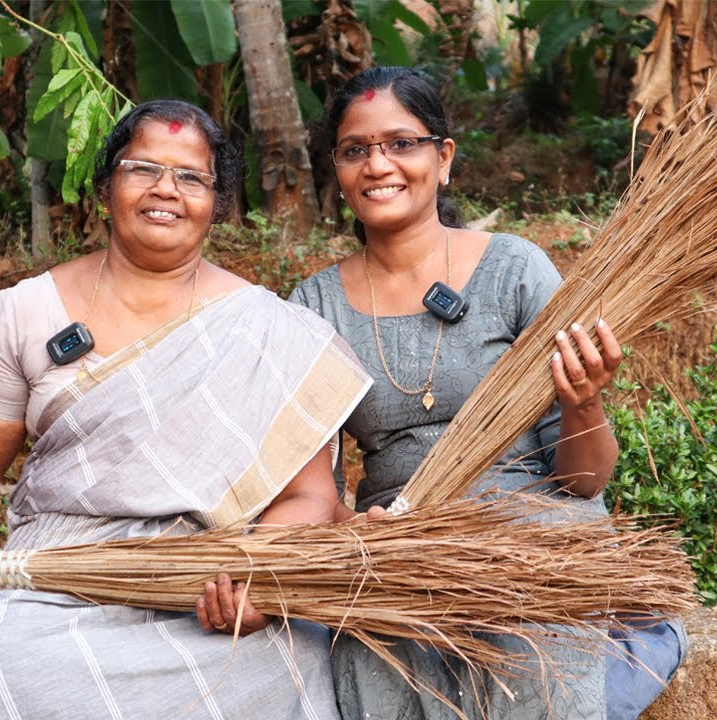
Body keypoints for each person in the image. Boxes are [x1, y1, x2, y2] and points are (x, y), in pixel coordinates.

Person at [0, 99, 372, 719]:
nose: (165, 190)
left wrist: (264, 576)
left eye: (191, 177)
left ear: (218, 204)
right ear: (104, 188)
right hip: (56, 588)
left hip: (215, 588)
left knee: (292, 659)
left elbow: (308, 497)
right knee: (7, 662)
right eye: (142, 168)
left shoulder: (269, 329)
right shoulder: (28, 312)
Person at [289, 67, 687, 720]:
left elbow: (585, 481)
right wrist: (355, 531)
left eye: (401, 143)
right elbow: (312, 495)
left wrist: (584, 400)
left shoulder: (515, 270)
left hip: (532, 538)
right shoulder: (314, 306)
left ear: (443, 159)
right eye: (355, 149)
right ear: (336, 168)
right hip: (398, 549)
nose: (378, 164)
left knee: (526, 644)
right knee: (373, 662)